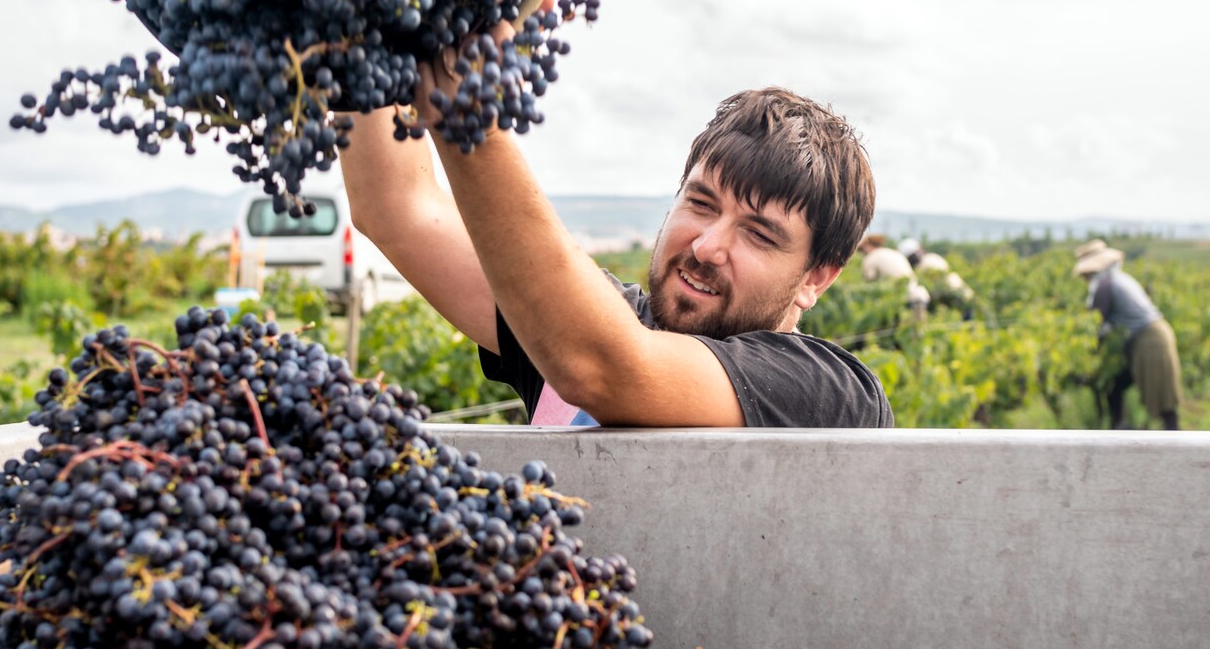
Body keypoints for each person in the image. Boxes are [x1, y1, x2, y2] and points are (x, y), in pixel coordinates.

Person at [340, 45, 891, 428]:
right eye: (700, 204)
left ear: (816, 278)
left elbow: (602, 369)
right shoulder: (581, 319)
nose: (706, 247)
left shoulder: (832, 394)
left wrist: (464, 104)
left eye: (759, 235)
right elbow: (398, 207)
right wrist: (363, 26)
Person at [1073, 245, 1181, 430]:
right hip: (1150, 337)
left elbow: (1095, 324)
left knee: (1162, 398)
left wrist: (1084, 363)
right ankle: (1120, 430)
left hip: (1150, 341)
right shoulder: (1117, 279)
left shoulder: (1105, 286)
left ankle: (1174, 441)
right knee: (1116, 385)